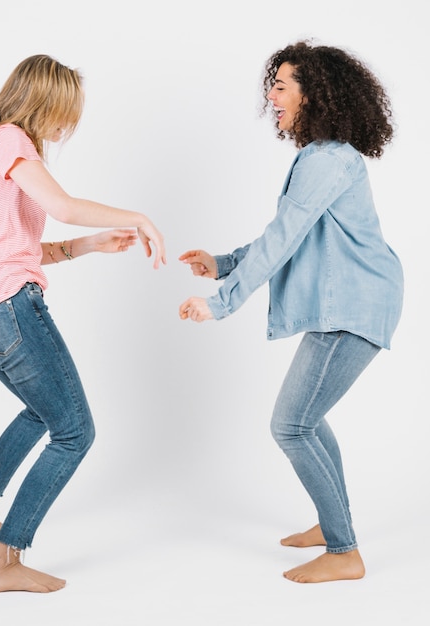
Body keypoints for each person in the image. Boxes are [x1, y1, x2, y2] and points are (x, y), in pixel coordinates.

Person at [178, 40, 403, 583]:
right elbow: (289, 237)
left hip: (355, 305)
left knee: (291, 424)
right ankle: (333, 526)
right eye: (271, 86)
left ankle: (345, 551)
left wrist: (222, 304)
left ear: (314, 93)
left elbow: (283, 238)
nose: (272, 98)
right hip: (347, 305)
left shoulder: (328, 160)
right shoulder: (322, 157)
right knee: (307, 422)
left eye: (281, 87)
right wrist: (225, 262)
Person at [0, 54, 166, 593]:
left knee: (40, 413)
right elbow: (65, 206)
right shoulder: (10, 140)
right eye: (66, 111)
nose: (67, 125)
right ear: (43, 101)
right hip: (7, 307)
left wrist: (89, 246)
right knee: (75, 432)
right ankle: (5, 561)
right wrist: (135, 217)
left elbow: (21, 247)